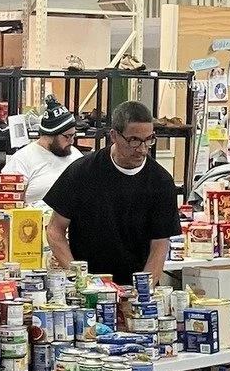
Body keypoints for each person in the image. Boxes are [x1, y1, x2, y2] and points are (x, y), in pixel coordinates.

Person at [44, 100, 181, 285]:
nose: (141, 149)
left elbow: (159, 245)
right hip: (88, 286)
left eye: (148, 140)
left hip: (134, 285)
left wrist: (143, 293)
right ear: (114, 136)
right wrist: (79, 278)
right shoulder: (82, 172)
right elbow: (54, 230)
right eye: (133, 140)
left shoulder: (161, 182)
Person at [0, 98, 82, 207]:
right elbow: (7, 202)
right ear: (50, 135)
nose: (72, 141)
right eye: (67, 136)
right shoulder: (22, 160)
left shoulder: (76, 156)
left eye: (74, 135)